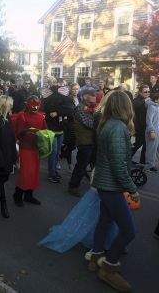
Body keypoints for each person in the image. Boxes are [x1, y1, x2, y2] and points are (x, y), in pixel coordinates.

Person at [88, 91, 138, 292]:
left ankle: (96, 257)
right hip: (111, 186)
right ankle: (108, 268)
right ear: (124, 107)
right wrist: (132, 188)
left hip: (105, 183)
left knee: (105, 221)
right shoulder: (117, 128)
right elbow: (119, 165)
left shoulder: (108, 124)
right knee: (128, 230)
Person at [13, 96, 47, 206]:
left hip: (35, 149)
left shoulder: (41, 117)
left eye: (37, 104)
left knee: (34, 173)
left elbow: (45, 131)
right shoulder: (22, 116)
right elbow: (18, 134)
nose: (35, 107)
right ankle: (18, 195)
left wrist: (44, 137)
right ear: (28, 104)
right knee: (25, 173)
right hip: (25, 148)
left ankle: (29, 195)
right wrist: (26, 132)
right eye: (33, 104)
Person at [41, 83, 73, 183]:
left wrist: (58, 112)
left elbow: (69, 110)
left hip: (60, 129)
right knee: (53, 152)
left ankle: (54, 171)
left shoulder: (65, 97)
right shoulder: (49, 97)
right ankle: (52, 173)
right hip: (51, 129)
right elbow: (45, 108)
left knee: (57, 152)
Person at [68, 89, 97, 197]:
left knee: (96, 163)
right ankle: (73, 186)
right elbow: (90, 124)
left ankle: (96, 183)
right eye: (92, 95)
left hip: (92, 141)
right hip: (84, 142)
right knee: (81, 165)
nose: (95, 97)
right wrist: (98, 117)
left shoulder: (92, 108)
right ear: (85, 97)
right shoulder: (80, 109)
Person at [131, 84, 150, 165]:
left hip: (147, 126)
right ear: (140, 92)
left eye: (148, 91)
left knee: (146, 146)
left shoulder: (149, 100)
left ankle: (143, 162)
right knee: (138, 143)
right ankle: (127, 158)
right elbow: (135, 105)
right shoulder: (137, 100)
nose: (147, 93)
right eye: (145, 92)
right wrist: (144, 101)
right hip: (139, 126)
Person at [145, 92, 159, 172]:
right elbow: (149, 120)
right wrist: (152, 131)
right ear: (156, 99)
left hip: (158, 130)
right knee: (151, 149)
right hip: (152, 131)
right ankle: (149, 166)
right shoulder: (152, 107)